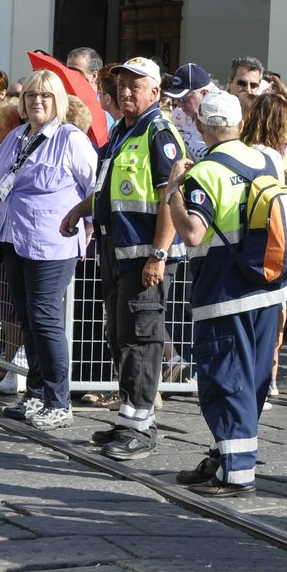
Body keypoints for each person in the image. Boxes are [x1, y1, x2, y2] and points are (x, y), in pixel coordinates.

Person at [164, 91, 287, 496]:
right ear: (239, 125)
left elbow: (193, 232)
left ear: (201, 127)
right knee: (252, 381)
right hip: (269, 286)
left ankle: (237, 472)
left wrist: (172, 190)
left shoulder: (205, 172)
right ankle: (228, 457)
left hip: (224, 291)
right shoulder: (268, 160)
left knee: (225, 379)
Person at [60, 57, 185, 460]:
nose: (125, 91)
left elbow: (170, 196)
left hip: (143, 256)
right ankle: (130, 418)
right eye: (122, 84)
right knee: (119, 336)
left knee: (141, 339)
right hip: (116, 252)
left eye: (135, 84)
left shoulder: (159, 132)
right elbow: (109, 188)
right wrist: (81, 210)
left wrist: (159, 254)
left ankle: (141, 426)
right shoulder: (121, 133)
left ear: (155, 92)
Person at [0, 70, 97, 431]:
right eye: (32, 95)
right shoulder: (16, 136)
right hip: (15, 237)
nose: (37, 101)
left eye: (46, 95)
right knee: (27, 317)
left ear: (59, 101)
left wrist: (88, 229)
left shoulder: (71, 139)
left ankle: (58, 400)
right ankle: (34, 394)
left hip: (54, 241)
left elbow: (93, 188)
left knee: (45, 317)